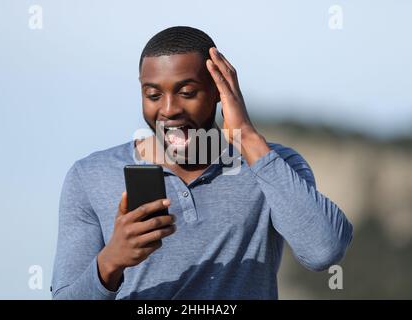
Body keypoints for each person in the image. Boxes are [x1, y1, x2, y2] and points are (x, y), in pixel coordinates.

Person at [51, 26, 353, 299]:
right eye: (153, 94)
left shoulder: (272, 165)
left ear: (219, 91)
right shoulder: (90, 176)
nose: (169, 110)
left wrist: (246, 136)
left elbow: (323, 251)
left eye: (187, 92)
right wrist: (111, 261)